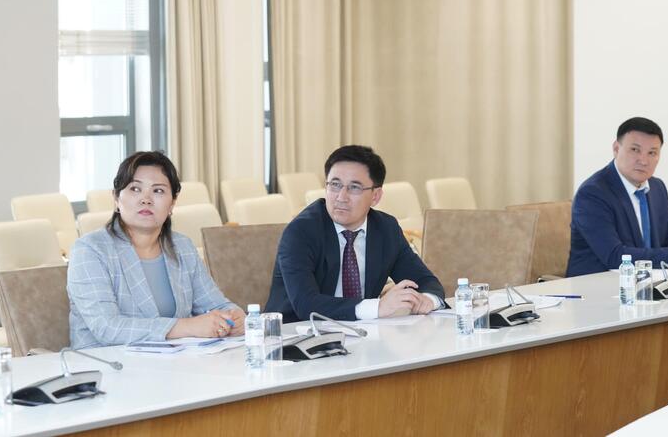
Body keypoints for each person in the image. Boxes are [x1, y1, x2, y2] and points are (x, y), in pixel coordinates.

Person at [67, 151, 245, 349]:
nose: (146, 199)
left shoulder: (182, 247)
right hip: (105, 363)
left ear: (172, 203)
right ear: (116, 198)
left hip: (175, 362)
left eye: (158, 191)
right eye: (135, 189)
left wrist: (234, 317)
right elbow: (107, 327)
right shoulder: (90, 250)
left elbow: (216, 305)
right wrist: (187, 326)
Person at [265, 145, 447, 323]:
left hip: (361, 332)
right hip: (294, 333)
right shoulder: (301, 231)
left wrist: (428, 300)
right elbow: (306, 304)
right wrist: (378, 307)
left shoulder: (386, 229)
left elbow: (425, 281)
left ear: (375, 196)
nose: (341, 197)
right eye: (335, 185)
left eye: (354, 187)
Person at [566, 117, 668, 277]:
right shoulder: (592, 193)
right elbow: (614, 256)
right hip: (596, 286)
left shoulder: (657, 187)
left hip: (646, 283)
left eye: (652, 153)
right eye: (635, 150)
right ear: (616, 149)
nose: (644, 161)